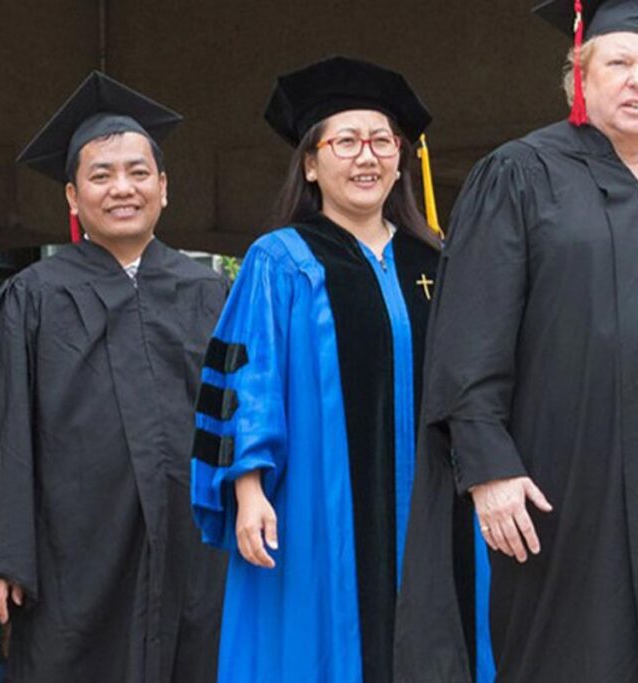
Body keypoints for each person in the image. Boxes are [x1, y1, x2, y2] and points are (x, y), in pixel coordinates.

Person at [189, 56, 492, 683]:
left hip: (435, 503)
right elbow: (248, 379)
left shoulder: (435, 259)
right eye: (346, 141)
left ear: (402, 159)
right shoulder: (280, 261)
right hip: (315, 504)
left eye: (383, 141)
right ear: (310, 162)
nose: (367, 157)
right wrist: (248, 491)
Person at [0, 71, 229, 683]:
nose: (123, 188)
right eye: (101, 175)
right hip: (76, 556)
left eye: (138, 173)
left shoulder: (213, 295)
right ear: (71, 197)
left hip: (197, 548)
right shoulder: (31, 300)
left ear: (164, 188)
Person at [394, 1, 638, 680]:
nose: (636, 81)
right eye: (619, 63)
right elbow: (469, 334)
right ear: (579, 76)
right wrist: (490, 467)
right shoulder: (522, 173)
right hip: (562, 482)